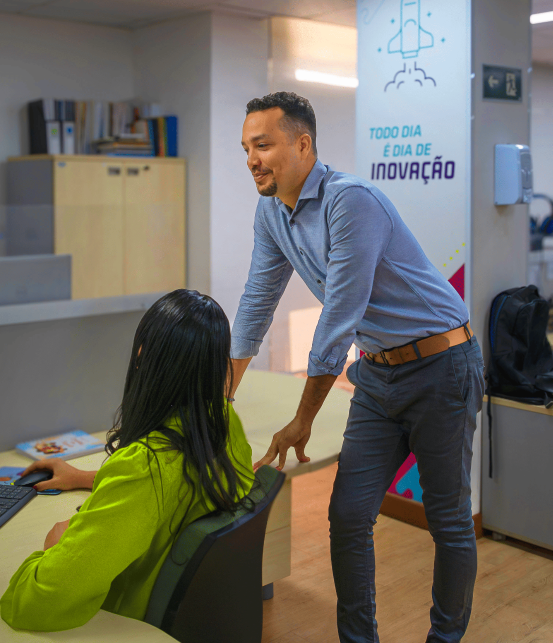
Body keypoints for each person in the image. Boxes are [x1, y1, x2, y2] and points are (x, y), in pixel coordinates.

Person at [229, 91, 485, 643]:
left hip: (442, 366)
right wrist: (218, 398)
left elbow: (338, 319)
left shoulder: (352, 202)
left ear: (302, 145)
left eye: (263, 145)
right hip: (378, 374)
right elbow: (256, 302)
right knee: (348, 516)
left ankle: (445, 639)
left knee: (448, 522)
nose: (252, 159)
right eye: (247, 147)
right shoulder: (272, 212)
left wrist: (303, 419)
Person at [0, 289, 256, 632]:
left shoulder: (144, 467)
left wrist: (54, 548)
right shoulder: (222, 421)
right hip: (200, 619)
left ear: (141, 355)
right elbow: (175, 488)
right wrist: (86, 478)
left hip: (131, 623)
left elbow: (36, 605)